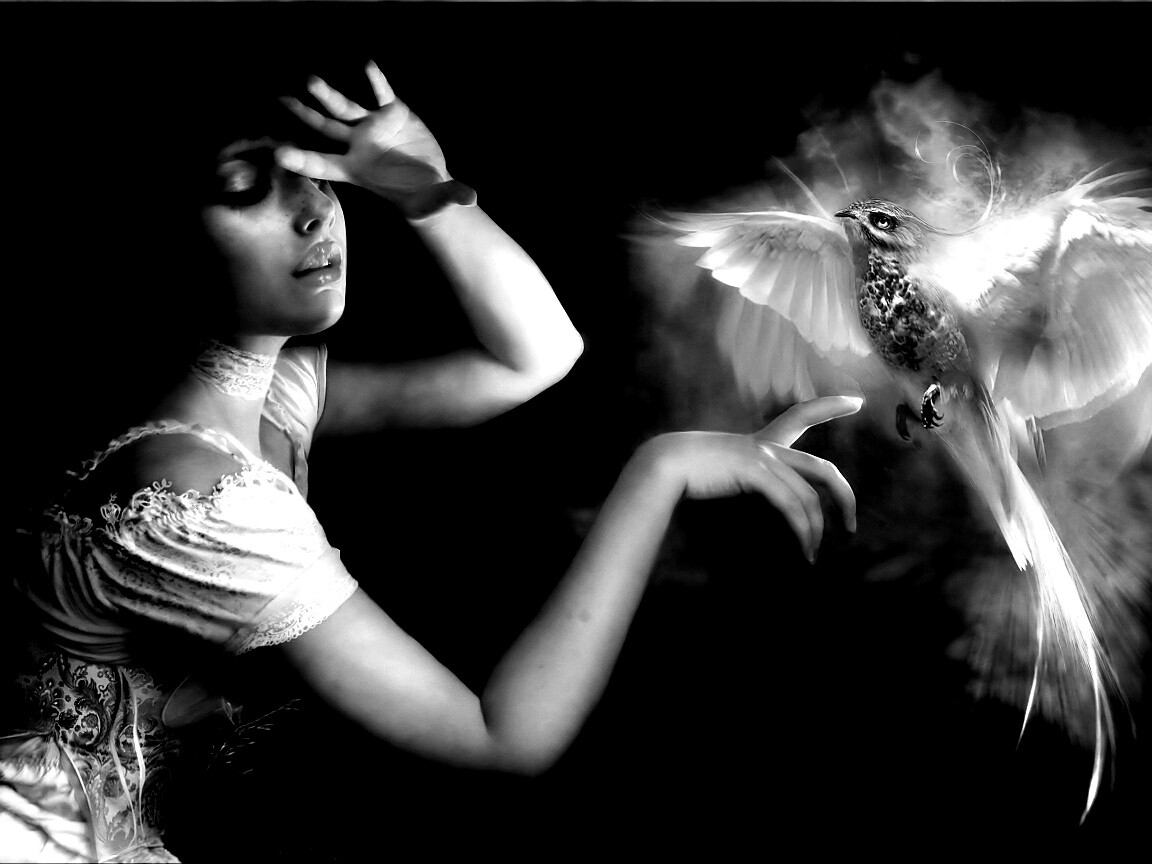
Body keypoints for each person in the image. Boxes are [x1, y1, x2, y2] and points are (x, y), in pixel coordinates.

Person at [2, 62, 861, 862]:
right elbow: (505, 740)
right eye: (247, 188)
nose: (314, 212)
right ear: (160, 234)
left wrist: (426, 192)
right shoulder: (194, 495)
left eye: (316, 175)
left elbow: (537, 354)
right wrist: (661, 472)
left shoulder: (265, 389)